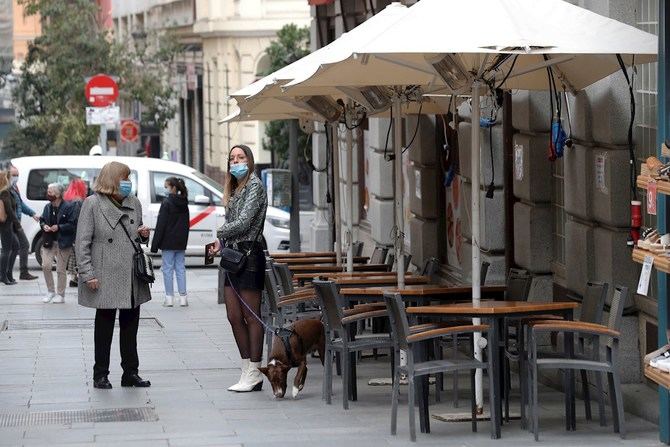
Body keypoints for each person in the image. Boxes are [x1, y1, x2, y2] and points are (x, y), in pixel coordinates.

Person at [75, 161, 152, 389]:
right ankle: (101, 374)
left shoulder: (134, 203)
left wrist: (143, 234)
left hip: (130, 275)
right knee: (104, 326)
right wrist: (88, 273)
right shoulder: (92, 204)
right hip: (104, 274)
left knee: (131, 327)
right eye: (124, 178)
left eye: (129, 178)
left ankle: (130, 373)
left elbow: (135, 237)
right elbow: (82, 242)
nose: (128, 183)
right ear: (112, 180)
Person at [209, 144, 268, 393]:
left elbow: (243, 222)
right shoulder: (234, 189)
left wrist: (220, 232)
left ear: (250, 160)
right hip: (233, 256)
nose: (236, 162)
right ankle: (246, 368)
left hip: (250, 256)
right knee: (233, 316)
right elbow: (235, 224)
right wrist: (220, 243)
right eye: (232, 158)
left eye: (240, 157)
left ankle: (255, 369)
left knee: (250, 315)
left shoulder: (255, 185)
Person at [150, 176, 190, 307]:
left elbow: (161, 224)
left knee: (167, 269)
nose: (165, 189)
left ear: (173, 187)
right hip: (180, 242)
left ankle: (169, 298)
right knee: (180, 268)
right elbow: (186, 224)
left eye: (166, 186)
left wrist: (154, 245)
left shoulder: (167, 202)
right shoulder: (184, 202)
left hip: (168, 241)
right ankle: (183, 298)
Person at [39, 183, 77, 304]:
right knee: (45, 265)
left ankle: (60, 294)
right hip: (49, 241)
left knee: (61, 269)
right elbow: (42, 220)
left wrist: (59, 227)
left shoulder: (69, 207)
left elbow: (72, 225)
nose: (48, 194)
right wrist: (43, 225)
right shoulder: (47, 207)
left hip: (64, 242)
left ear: (58, 194)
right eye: (48, 191)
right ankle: (50, 291)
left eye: (50, 192)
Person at [9, 165, 40, 280]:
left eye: (17, 175)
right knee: (20, 245)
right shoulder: (6, 189)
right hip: (11, 223)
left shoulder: (14, 187)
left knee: (14, 247)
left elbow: (20, 204)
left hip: (16, 223)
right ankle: (15, 273)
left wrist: (32, 214)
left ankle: (16, 273)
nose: (16, 177)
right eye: (14, 175)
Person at [63, 177, 88, 287]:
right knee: (78, 255)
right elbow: (79, 219)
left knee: (73, 256)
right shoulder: (78, 201)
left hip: (70, 233)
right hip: (77, 232)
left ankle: (74, 278)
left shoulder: (68, 199)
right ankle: (76, 278)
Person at [0, 170, 20, 285]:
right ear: (4, 179)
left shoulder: (7, 191)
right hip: (5, 224)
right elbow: (9, 209)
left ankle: (7, 273)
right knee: (6, 250)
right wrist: (17, 224)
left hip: (7, 224)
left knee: (15, 246)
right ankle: (3, 275)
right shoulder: (4, 192)